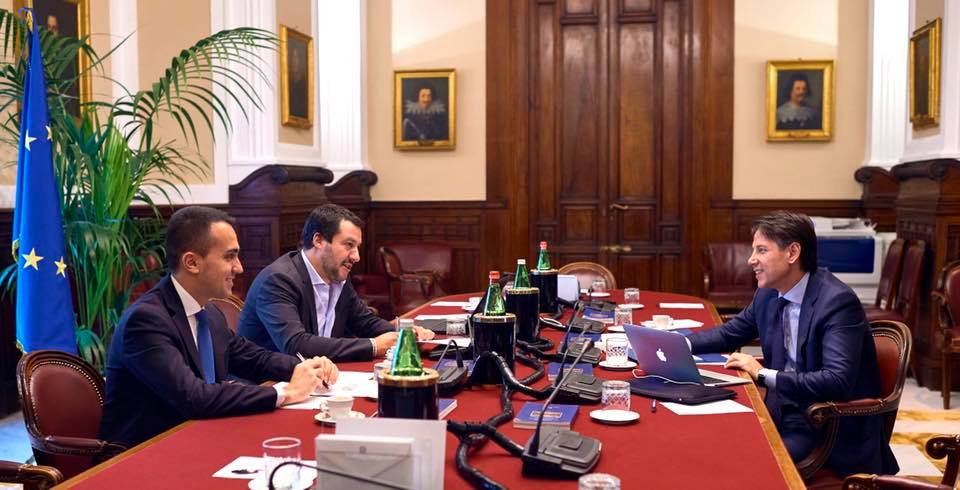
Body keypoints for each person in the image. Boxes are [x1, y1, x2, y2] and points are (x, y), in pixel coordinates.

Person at [99, 207, 338, 449]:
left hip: (202, 438)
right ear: (192, 262)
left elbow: (253, 358)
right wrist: (285, 393)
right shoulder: (146, 321)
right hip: (148, 452)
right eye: (229, 257)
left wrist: (304, 367)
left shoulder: (209, 313)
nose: (239, 268)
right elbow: (193, 397)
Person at [687, 211, 897, 477]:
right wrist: (679, 343)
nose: (751, 259)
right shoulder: (768, 293)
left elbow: (837, 381)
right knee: (708, 441)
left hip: (824, 425)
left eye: (762, 250)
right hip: (781, 410)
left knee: (743, 465)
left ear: (793, 252)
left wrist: (762, 374)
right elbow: (730, 334)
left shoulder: (837, 302)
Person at [238, 204, 435, 362]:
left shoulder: (336, 275)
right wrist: (373, 346)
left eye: (357, 247)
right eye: (349, 245)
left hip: (319, 377)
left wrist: (404, 334)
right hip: (267, 384)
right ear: (318, 240)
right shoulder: (279, 280)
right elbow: (296, 345)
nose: (356, 256)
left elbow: (364, 322)